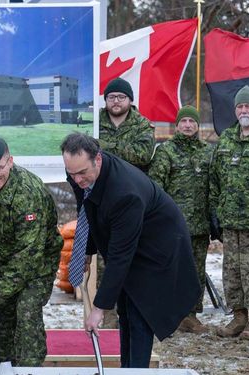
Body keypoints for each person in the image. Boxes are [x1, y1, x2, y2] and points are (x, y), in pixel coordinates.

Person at [61, 132, 200, 368]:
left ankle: (136, 370)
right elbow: (87, 206)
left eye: (82, 173)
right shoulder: (78, 170)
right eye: (71, 174)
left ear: (98, 159)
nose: (77, 180)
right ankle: (127, 370)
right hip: (131, 238)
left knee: (139, 313)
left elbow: (119, 257)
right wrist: (86, 249)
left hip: (159, 245)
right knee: (124, 309)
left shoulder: (125, 193)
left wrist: (98, 309)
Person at [0, 137, 62, 366]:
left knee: (25, 310)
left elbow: (27, 258)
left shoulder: (28, 194)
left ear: (10, 161)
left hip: (36, 263)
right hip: (0, 260)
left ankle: (29, 369)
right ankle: (3, 364)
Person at [210, 85, 249, 339]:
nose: (244, 110)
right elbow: (214, 179)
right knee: (231, 272)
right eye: (240, 106)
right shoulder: (226, 138)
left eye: (248, 106)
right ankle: (238, 318)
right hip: (230, 221)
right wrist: (215, 212)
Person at [96, 77, 156, 327]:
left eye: (121, 97)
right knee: (105, 257)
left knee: (131, 255)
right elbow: (84, 150)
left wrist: (104, 148)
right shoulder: (93, 122)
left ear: (130, 100)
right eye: (111, 97)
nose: (116, 101)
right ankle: (107, 312)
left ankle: (133, 311)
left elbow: (142, 154)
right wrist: (116, 149)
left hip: (132, 198)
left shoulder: (143, 124)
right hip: (101, 195)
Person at [149, 106, 213, 334]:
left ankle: (191, 315)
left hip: (200, 226)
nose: (187, 125)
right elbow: (156, 187)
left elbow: (213, 186)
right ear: (177, 125)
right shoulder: (166, 151)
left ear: (197, 125)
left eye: (192, 121)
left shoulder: (208, 152)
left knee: (196, 272)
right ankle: (168, 314)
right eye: (183, 121)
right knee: (170, 270)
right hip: (173, 226)